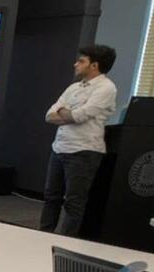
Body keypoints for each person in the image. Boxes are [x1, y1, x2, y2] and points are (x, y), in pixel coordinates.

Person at [40, 45, 118, 236]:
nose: (75, 64)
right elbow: (49, 115)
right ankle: (43, 235)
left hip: (84, 151)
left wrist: (65, 113)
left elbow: (80, 116)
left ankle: (66, 241)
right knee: (51, 197)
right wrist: (68, 114)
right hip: (59, 148)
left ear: (94, 65)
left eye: (81, 61)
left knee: (74, 202)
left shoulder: (106, 88)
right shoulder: (73, 87)